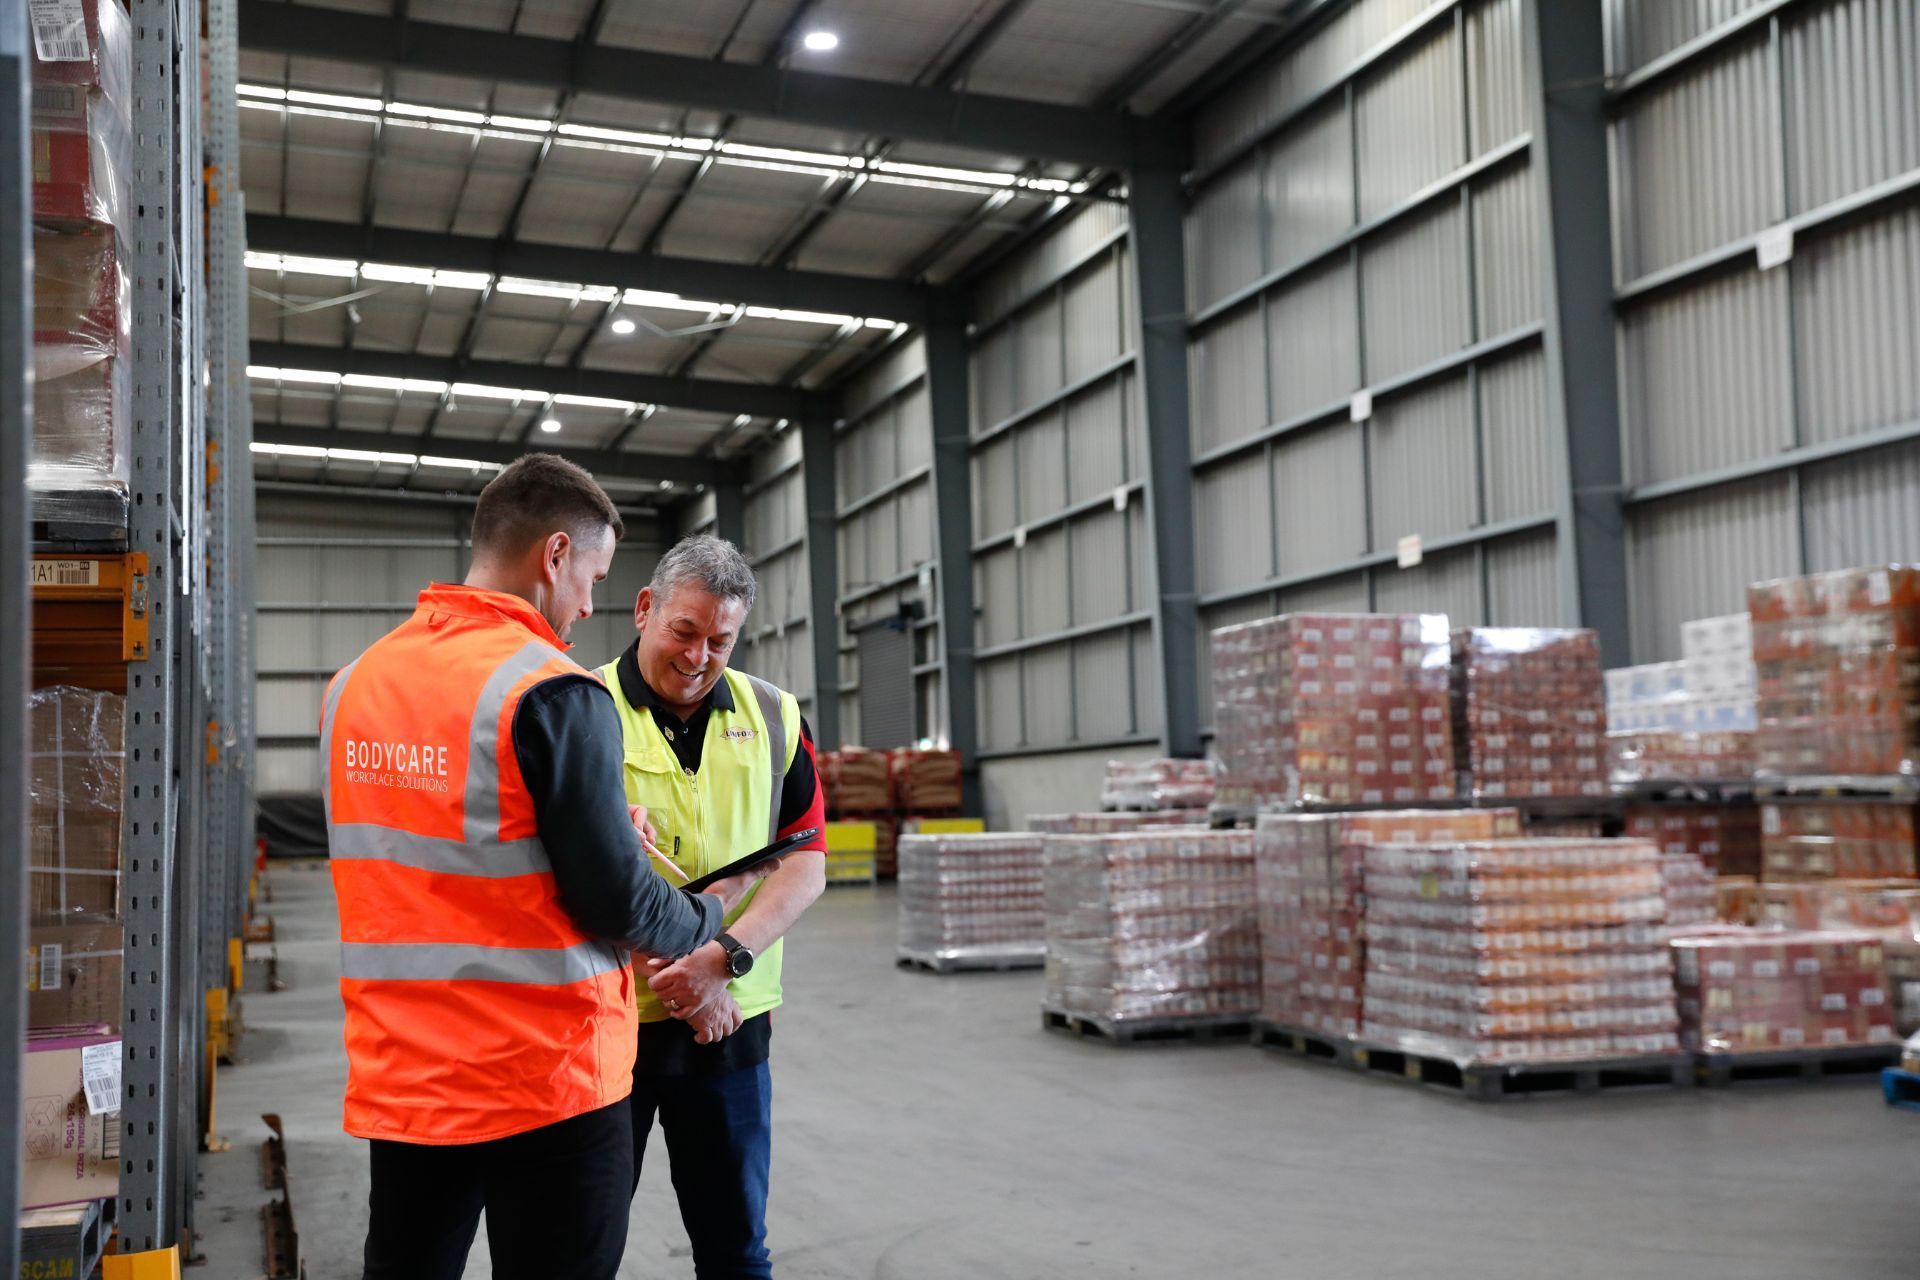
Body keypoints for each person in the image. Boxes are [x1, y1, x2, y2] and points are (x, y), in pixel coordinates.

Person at [321, 455, 773, 1280]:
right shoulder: (551, 689)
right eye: (593, 576)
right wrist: (709, 916)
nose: (589, 604)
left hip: (408, 1078)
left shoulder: (355, 685)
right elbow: (617, 899)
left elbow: (441, 844)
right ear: (554, 555)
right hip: (543, 1078)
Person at [596, 534, 828, 1279]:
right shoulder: (580, 708)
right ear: (644, 610)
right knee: (579, 1247)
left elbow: (805, 860)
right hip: (606, 1023)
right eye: (684, 632)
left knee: (735, 1245)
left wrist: (720, 965)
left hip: (729, 1021)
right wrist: (675, 972)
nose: (699, 657)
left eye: (720, 641)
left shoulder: (774, 714)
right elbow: (559, 872)